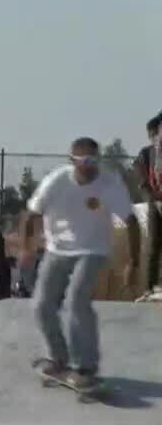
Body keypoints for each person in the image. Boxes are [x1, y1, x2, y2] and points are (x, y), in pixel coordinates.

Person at [22, 137, 140, 389]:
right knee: (41, 305)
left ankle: (87, 364)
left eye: (95, 160)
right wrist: (27, 246)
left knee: (76, 300)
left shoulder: (109, 183)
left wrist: (133, 262)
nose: (90, 166)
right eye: (85, 161)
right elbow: (32, 213)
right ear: (72, 161)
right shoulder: (56, 181)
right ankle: (59, 358)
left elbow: (131, 222)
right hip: (57, 250)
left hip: (93, 250)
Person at [135, 113, 162, 294]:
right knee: (153, 245)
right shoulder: (146, 154)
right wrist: (153, 199)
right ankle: (149, 289)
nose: (155, 138)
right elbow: (143, 182)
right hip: (155, 203)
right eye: (153, 135)